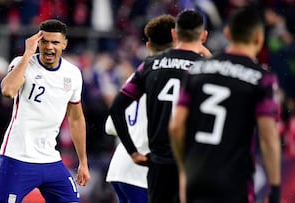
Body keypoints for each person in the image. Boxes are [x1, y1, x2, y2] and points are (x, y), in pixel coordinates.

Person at [169, 5, 281, 203]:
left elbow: (176, 126)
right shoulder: (262, 78)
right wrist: (274, 186)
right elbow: (268, 135)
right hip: (234, 180)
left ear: (227, 33)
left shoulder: (197, 69)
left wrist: (185, 169)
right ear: (258, 38)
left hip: (197, 176)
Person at [109, 9, 210, 203]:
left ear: (175, 33)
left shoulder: (150, 65)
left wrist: (132, 151)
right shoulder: (205, 67)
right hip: (190, 162)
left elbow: (115, 109)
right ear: (203, 36)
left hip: (157, 164)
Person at [0, 19, 91, 203]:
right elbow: (8, 91)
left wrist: (83, 162)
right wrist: (28, 52)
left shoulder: (73, 74)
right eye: (44, 41)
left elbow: (76, 118)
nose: (49, 47)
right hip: (17, 157)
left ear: (64, 44)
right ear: (38, 42)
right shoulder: (22, 63)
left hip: (50, 159)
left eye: (55, 42)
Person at [105, 14, 176, 203]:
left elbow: (110, 126)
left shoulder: (137, 77)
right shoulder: (172, 78)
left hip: (121, 167)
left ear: (148, 46)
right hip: (143, 171)